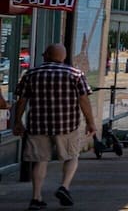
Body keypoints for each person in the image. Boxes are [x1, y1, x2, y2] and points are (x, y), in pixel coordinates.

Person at [10, 44, 96, 210]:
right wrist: (90, 121)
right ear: (63, 57)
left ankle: (36, 197)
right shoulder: (75, 74)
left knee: (40, 161)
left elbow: (22, 100)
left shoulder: (31, 74)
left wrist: (18, 121)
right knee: (72, 156)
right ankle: (64, 186)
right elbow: (83, 100)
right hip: (67, 125)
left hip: (38, 124)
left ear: (46, 56)